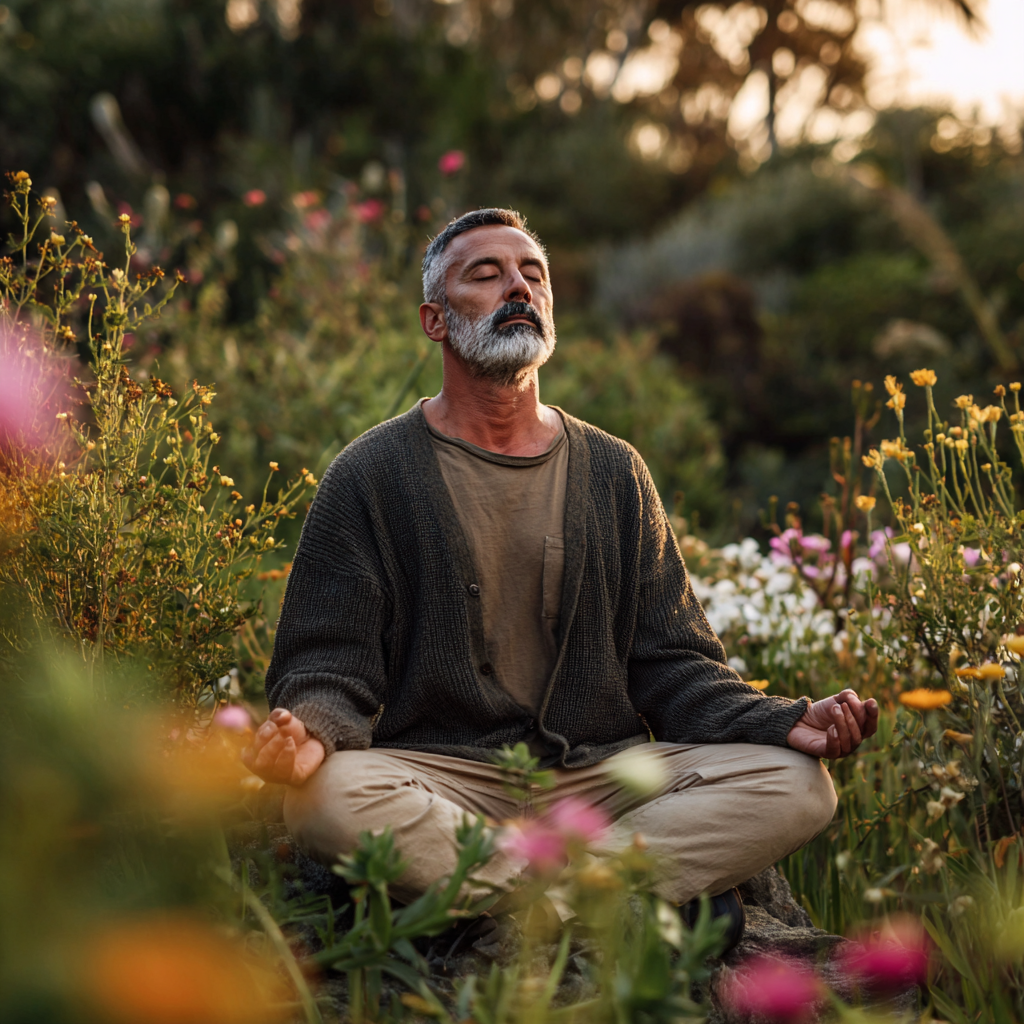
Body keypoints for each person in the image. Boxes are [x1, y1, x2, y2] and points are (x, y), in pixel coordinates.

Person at [243, 208, 878, 948]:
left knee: (797, 786)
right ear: (435, 320)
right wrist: (311, 732)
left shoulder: (614, 470)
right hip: (448, 778)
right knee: (325, 798)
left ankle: (506, 899)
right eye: (485, 274)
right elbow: (326, 663)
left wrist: (780, 721)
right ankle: (619, 900)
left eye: (532, 274)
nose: (518, 286)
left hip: (600, 778)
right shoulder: (371, 475)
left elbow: (673, 666)